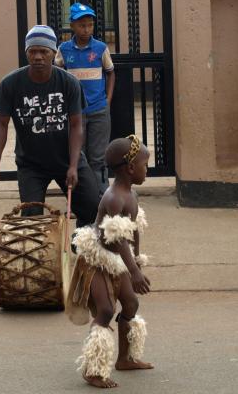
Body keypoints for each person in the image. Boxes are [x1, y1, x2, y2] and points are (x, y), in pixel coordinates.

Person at [0, 25, 99, 227]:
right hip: (31, 165)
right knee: (31, 218)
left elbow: (77, 125)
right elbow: (1, 125)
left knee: (92, 207)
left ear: (53, 53)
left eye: (43, 51)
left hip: (66, 160)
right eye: (32, 51)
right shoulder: (10, 84)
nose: (38, 57)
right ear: (26, 53)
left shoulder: (69, 83)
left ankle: (80, 244)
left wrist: (73, 165)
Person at [65, 134, 153, 389]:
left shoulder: (130, 195)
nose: (147, 170)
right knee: (105, 310)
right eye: (145, 165)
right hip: (97, 260)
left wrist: (136, 260)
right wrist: (134, 271)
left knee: (131, 304)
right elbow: (116, 240)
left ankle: (125, 359)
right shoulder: (114, 198)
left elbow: (132, 231)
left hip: (118, 259)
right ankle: (93, 369)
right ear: (130, 168)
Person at [55, 2, 115, 198]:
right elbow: (57, 74)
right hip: (75, 114)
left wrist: (108, 99)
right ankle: (80, 199)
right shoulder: (64, 50)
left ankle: (102, 198)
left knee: (98, 158)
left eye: (90, 25)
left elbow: (111, 73)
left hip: (98, 110)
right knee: (77, 157)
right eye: (82, 25)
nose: (86, 29)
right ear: (72, 25)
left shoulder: (100, 48)